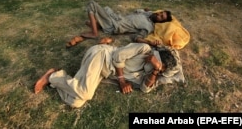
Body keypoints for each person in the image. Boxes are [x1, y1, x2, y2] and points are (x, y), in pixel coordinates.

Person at [34, 43, 185, 108]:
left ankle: (58, 76)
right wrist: (121, 81)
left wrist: (155, 71)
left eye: (160, 69)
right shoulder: (144, 49)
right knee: (86, 93)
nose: (158, 69)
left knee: (76, 102)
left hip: (103, 72)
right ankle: (51, 77)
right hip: (101, 56)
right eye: (159, 65)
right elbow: (118, 56)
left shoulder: (152, 74)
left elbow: (146, 89)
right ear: (158, 57)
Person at [65, 0, 172, 47]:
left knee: (91, 4)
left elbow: (137, 37)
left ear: (160, 22)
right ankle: (99, 25)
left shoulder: (148, 27)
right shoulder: (149, 13)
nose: (158, 14)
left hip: (115, 25)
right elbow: (142, 11)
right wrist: (146, 10)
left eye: (161, 17)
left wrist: (149, 43)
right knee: (106, 9)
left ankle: (94, 32)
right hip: (116, 17)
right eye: (160, 13)